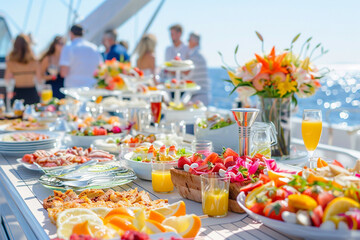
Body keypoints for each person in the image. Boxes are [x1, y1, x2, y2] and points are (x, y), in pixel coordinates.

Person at [4, 34, 41, 105]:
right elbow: (39, 80)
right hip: (32, 92)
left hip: (17, 93)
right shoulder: (34, 61)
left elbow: (6, 80)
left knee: (17, 115)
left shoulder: (10, 62)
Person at [186, 32, 210, 105]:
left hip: (199, 95)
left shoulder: (196, 56)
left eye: (189, 40)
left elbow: (186, 72)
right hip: (200, 94)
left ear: (194, 41)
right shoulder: (199, 54)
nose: (187, 42)